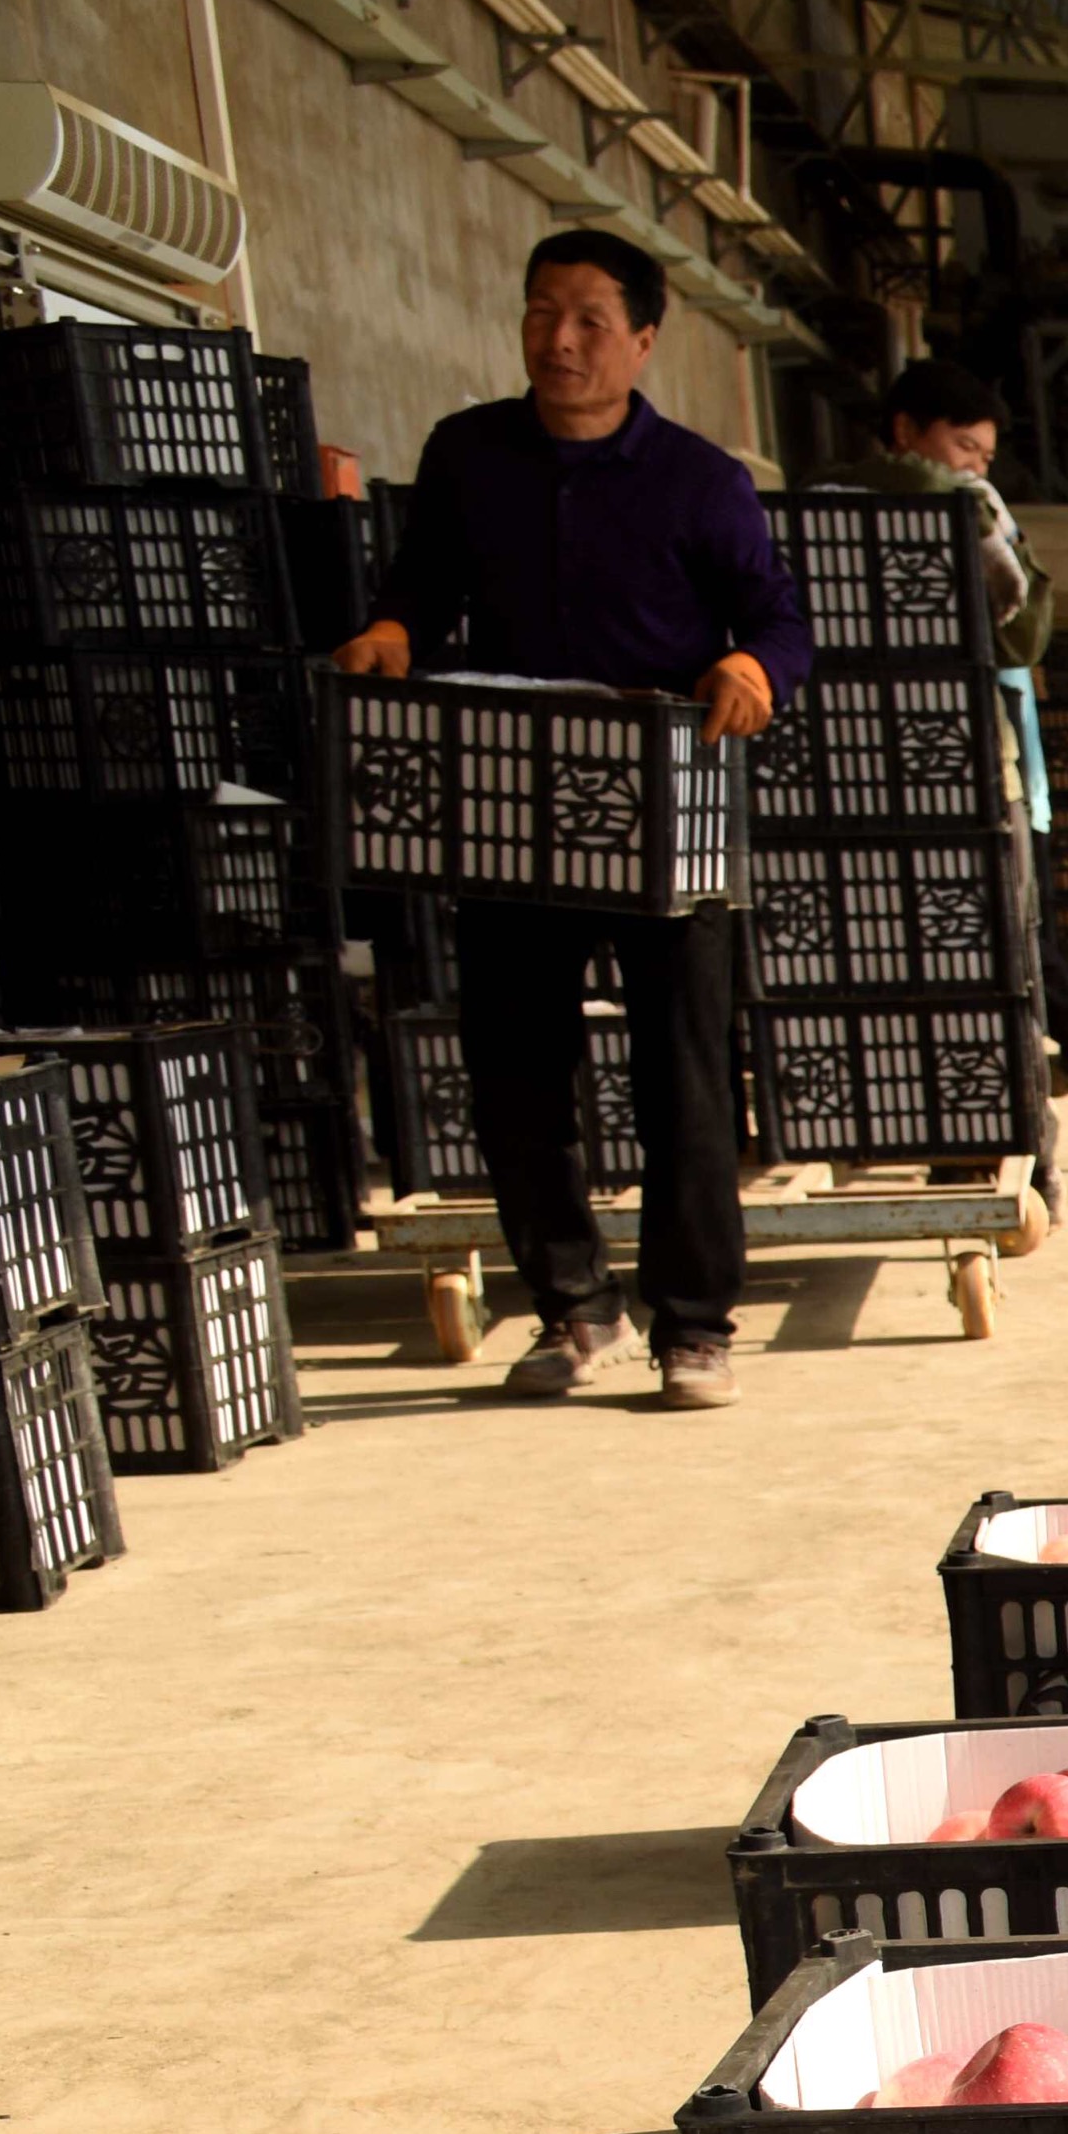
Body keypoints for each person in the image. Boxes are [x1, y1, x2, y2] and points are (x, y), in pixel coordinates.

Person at [338, 229, 807, 1407]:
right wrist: (394, 629)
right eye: (543, 311)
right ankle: (570, 1306)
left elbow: (778, 617)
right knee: (516, 1072)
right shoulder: (469, 454)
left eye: (591, 319)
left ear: (642, 340)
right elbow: (421, 583)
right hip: (513, 798)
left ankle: (693, 1325)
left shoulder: (699, 478)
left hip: (664, 805)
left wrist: (753, 665)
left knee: (683, 1080)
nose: (561, 340)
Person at [828, 357, 1068, 1094]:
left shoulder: (828, 498)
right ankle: (1050, 1063)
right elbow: (1024, 638)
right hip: (970, 760)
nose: (976, 469)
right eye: (963, 448)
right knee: (1003, 924)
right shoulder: (963, 508)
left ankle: (963, 1100)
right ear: (904, 431)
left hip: (867, 763)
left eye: (983, 457)